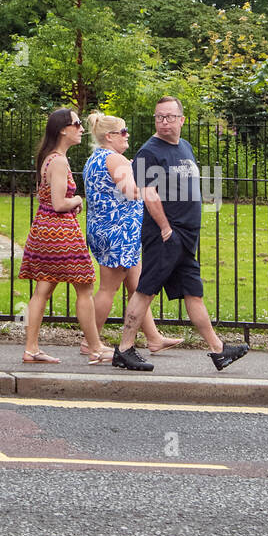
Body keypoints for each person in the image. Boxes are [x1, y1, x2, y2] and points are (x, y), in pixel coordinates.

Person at [113, 96, 249, 372]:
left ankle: (218, 350)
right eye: (159, 116)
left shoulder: (184, 147)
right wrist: (165, 228)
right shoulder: (148, 152)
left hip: (186, 236)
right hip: (165, 235)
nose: (164, 121)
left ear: (182, 120)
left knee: (193, 292)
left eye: (169, 117)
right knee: (146, 289)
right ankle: (124, 349)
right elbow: (149, 195)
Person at [82, 111, 182, 357]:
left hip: (106, 229)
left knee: (138, 287)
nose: (128, 136)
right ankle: (89, 342)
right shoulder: (115, 160)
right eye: (123, 132)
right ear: (109, 136)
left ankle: (154, 338)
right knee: (108, 288)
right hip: (119, 233)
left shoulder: (94, 158)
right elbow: (134, 192)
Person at [18, 108, 109, 364]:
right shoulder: (58, 161)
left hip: (44, 230)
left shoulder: (48, 158)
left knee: (43, 288)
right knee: (85, 287)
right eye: (77, 124)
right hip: (61, 232)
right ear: (62, 129)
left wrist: (71, 201)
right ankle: (95, 348)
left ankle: (31, 349)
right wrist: (78, 199)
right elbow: (59, 203)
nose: (81, 128)